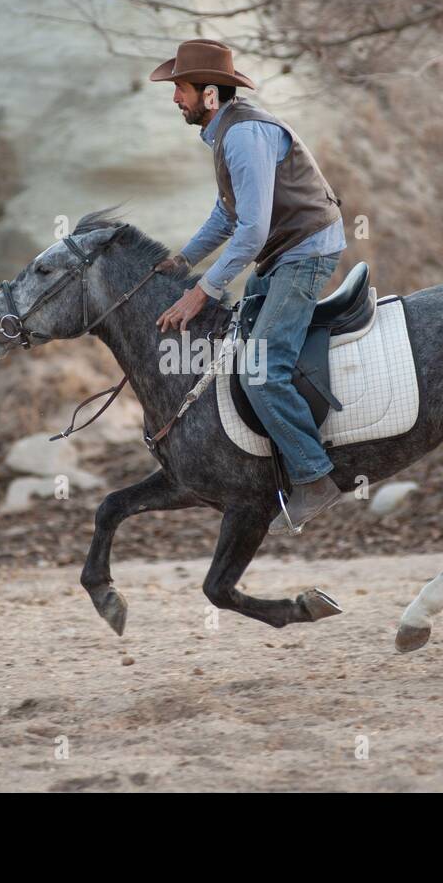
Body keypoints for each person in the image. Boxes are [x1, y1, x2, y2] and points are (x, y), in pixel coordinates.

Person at [150, 39, 347, 531]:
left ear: (210, 95)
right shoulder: (226, 133)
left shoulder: (242, 137)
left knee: (261, 369)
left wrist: (202, 292)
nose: (176, 99)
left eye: (181, 89)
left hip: (304, 254)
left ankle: (315, 477)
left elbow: (252, 232)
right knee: (237, 347)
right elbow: (227, 213)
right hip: (284, 253)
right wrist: (183, 260)